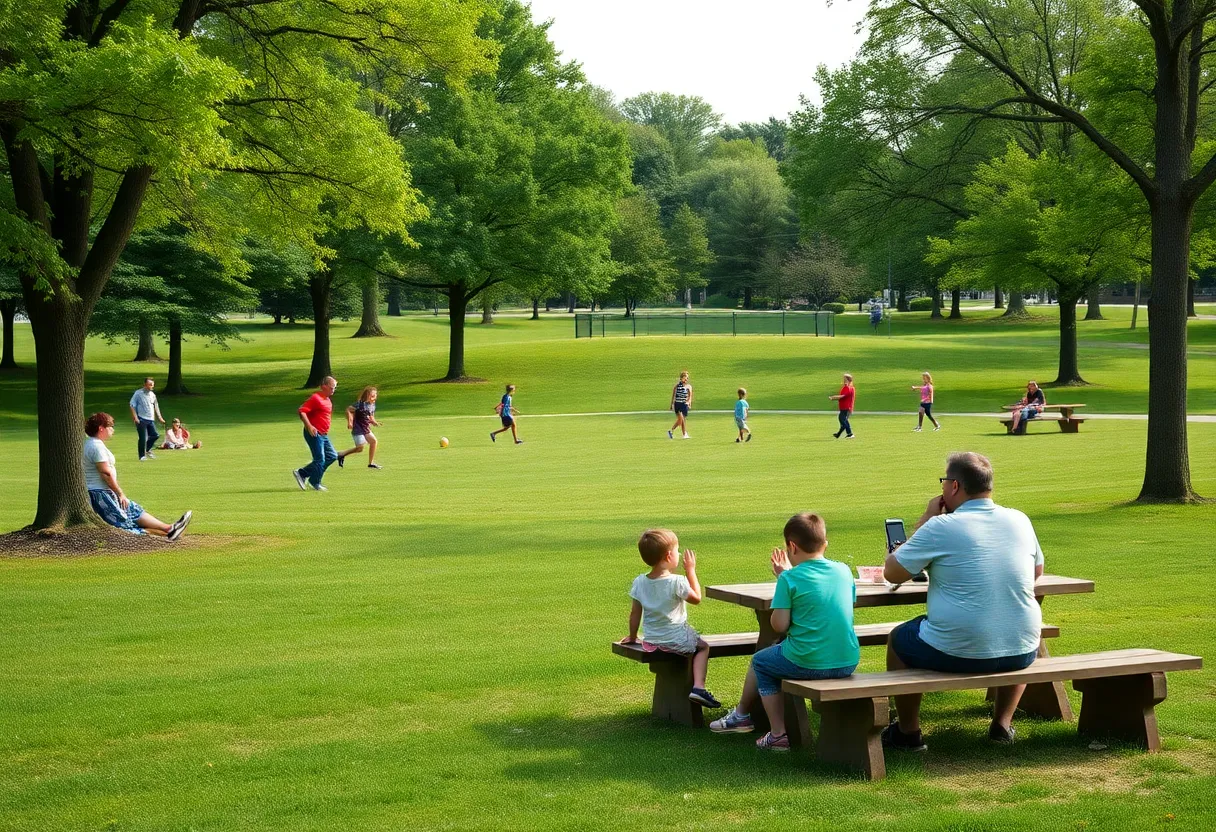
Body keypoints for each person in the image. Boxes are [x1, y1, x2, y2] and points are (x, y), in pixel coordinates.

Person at [881, 452, 1045, 751]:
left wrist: (926, 519)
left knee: (897, 638)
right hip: (1024, 650)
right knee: (1012, 627)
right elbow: (1036, 572)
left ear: (954, 486)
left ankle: (908, 732)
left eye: (944, 482)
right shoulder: (1019, 519)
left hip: (957, 651)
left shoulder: (940, 527)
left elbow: (892, 573)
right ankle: (1001, 726)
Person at [710, 513, 859, 751]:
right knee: (775, 656)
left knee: (761, 661)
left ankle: (775, 733)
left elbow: (778, 626)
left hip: (808, 661)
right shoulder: (843, 571)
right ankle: (743, 716)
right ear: (825, 543)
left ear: (791, 546)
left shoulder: (789, 578)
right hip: (847, 661)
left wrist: (785, 578)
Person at [621, 529, 721, 710]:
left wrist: (633, 636)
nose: (679, 554)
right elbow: (697, 598)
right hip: (676, 639)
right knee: (703, 647)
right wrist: (691, 570)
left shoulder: (639, 582)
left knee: (693, 643)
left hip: (652, 640)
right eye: (677, 551)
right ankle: (699, 687)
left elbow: (635, 614)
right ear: (668, 556)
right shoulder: (677, 581)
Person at [83, 412, 192, 539]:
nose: (113, 429)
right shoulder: (96, 446)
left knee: (133, 509)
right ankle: (162, 533)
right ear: (101, 428)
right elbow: (105, 473)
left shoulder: (90, 443)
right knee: (123, 524)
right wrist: (120, 493)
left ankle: (170, 528)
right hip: (100, 494)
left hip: (103, 491)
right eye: (110, 426)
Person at [293, 376, 339, 491]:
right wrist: (309, 426)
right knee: (320, 459)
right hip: (314, 433)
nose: (333, 390)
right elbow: (302, 411)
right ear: (324, 386)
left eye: (334, 388)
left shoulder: (327, 400)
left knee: (332, 456)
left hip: (324, 434)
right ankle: (314, 482)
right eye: (331, 388)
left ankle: (304, 474)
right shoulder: (316, 398)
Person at [338, 386, 382, 468]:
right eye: (372, 395)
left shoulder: (372, 405)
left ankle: (371, 463)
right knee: (360, 448)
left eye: (375, 395)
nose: (374, 396)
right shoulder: (360, 404)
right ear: (367, 395)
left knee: (373, 441)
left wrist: (374, 422)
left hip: (366, 428)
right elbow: (348, 409)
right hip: (358, 429)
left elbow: (371, 416)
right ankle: (341, 454)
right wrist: (350, 422)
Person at [129, 377, 165, 461]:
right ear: (145, 384)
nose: (152, 386)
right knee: (143, 438)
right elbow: (132, 405)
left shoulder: (152, 395)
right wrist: (135, 417)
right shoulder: (138, 393)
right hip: (141, 419)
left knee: (155, 435)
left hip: (150, 419)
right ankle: (141, 456)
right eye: (150, 384)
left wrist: (160, 417)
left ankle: (147, 450)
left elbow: (156, 406)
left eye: (152, 384)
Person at [829, 373, 855, 439]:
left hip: (845, 407)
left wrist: (833, 397)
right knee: (844, 421)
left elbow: (842, 396)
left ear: (849, 380)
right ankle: (838, 434)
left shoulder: (848, 388)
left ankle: (850, 434)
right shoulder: (848, 388)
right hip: (845, 407)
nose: (844, 381)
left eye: (845, 379)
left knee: (842, 419)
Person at [669, 371, 693, 439]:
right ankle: (683, 433)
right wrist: (671, 404)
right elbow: (673, 395)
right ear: (681, 378)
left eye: (687, 378)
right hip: (678, 404)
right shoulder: (677, 386)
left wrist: (689, 403)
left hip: (684, 404)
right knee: (681, 419)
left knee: (682, 420)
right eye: (685, 378)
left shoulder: (689, 386)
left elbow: (690, 396)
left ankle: (676, 431)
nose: (686, 380)